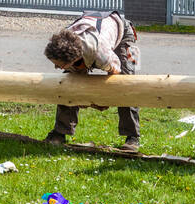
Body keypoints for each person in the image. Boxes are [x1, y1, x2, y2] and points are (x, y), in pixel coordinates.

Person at [43, 11, 141, 152]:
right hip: (89, 39)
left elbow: (115, 72)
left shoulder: (101, 55)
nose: (56, 67)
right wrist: (81, 99)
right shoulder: (64, 41)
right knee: (67, 85)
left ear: (72, 59)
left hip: (124, 32)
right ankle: (59, 133)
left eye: (58, 64)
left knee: (127, 83)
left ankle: (132, 137)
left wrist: (104, 100)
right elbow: (77, 77)